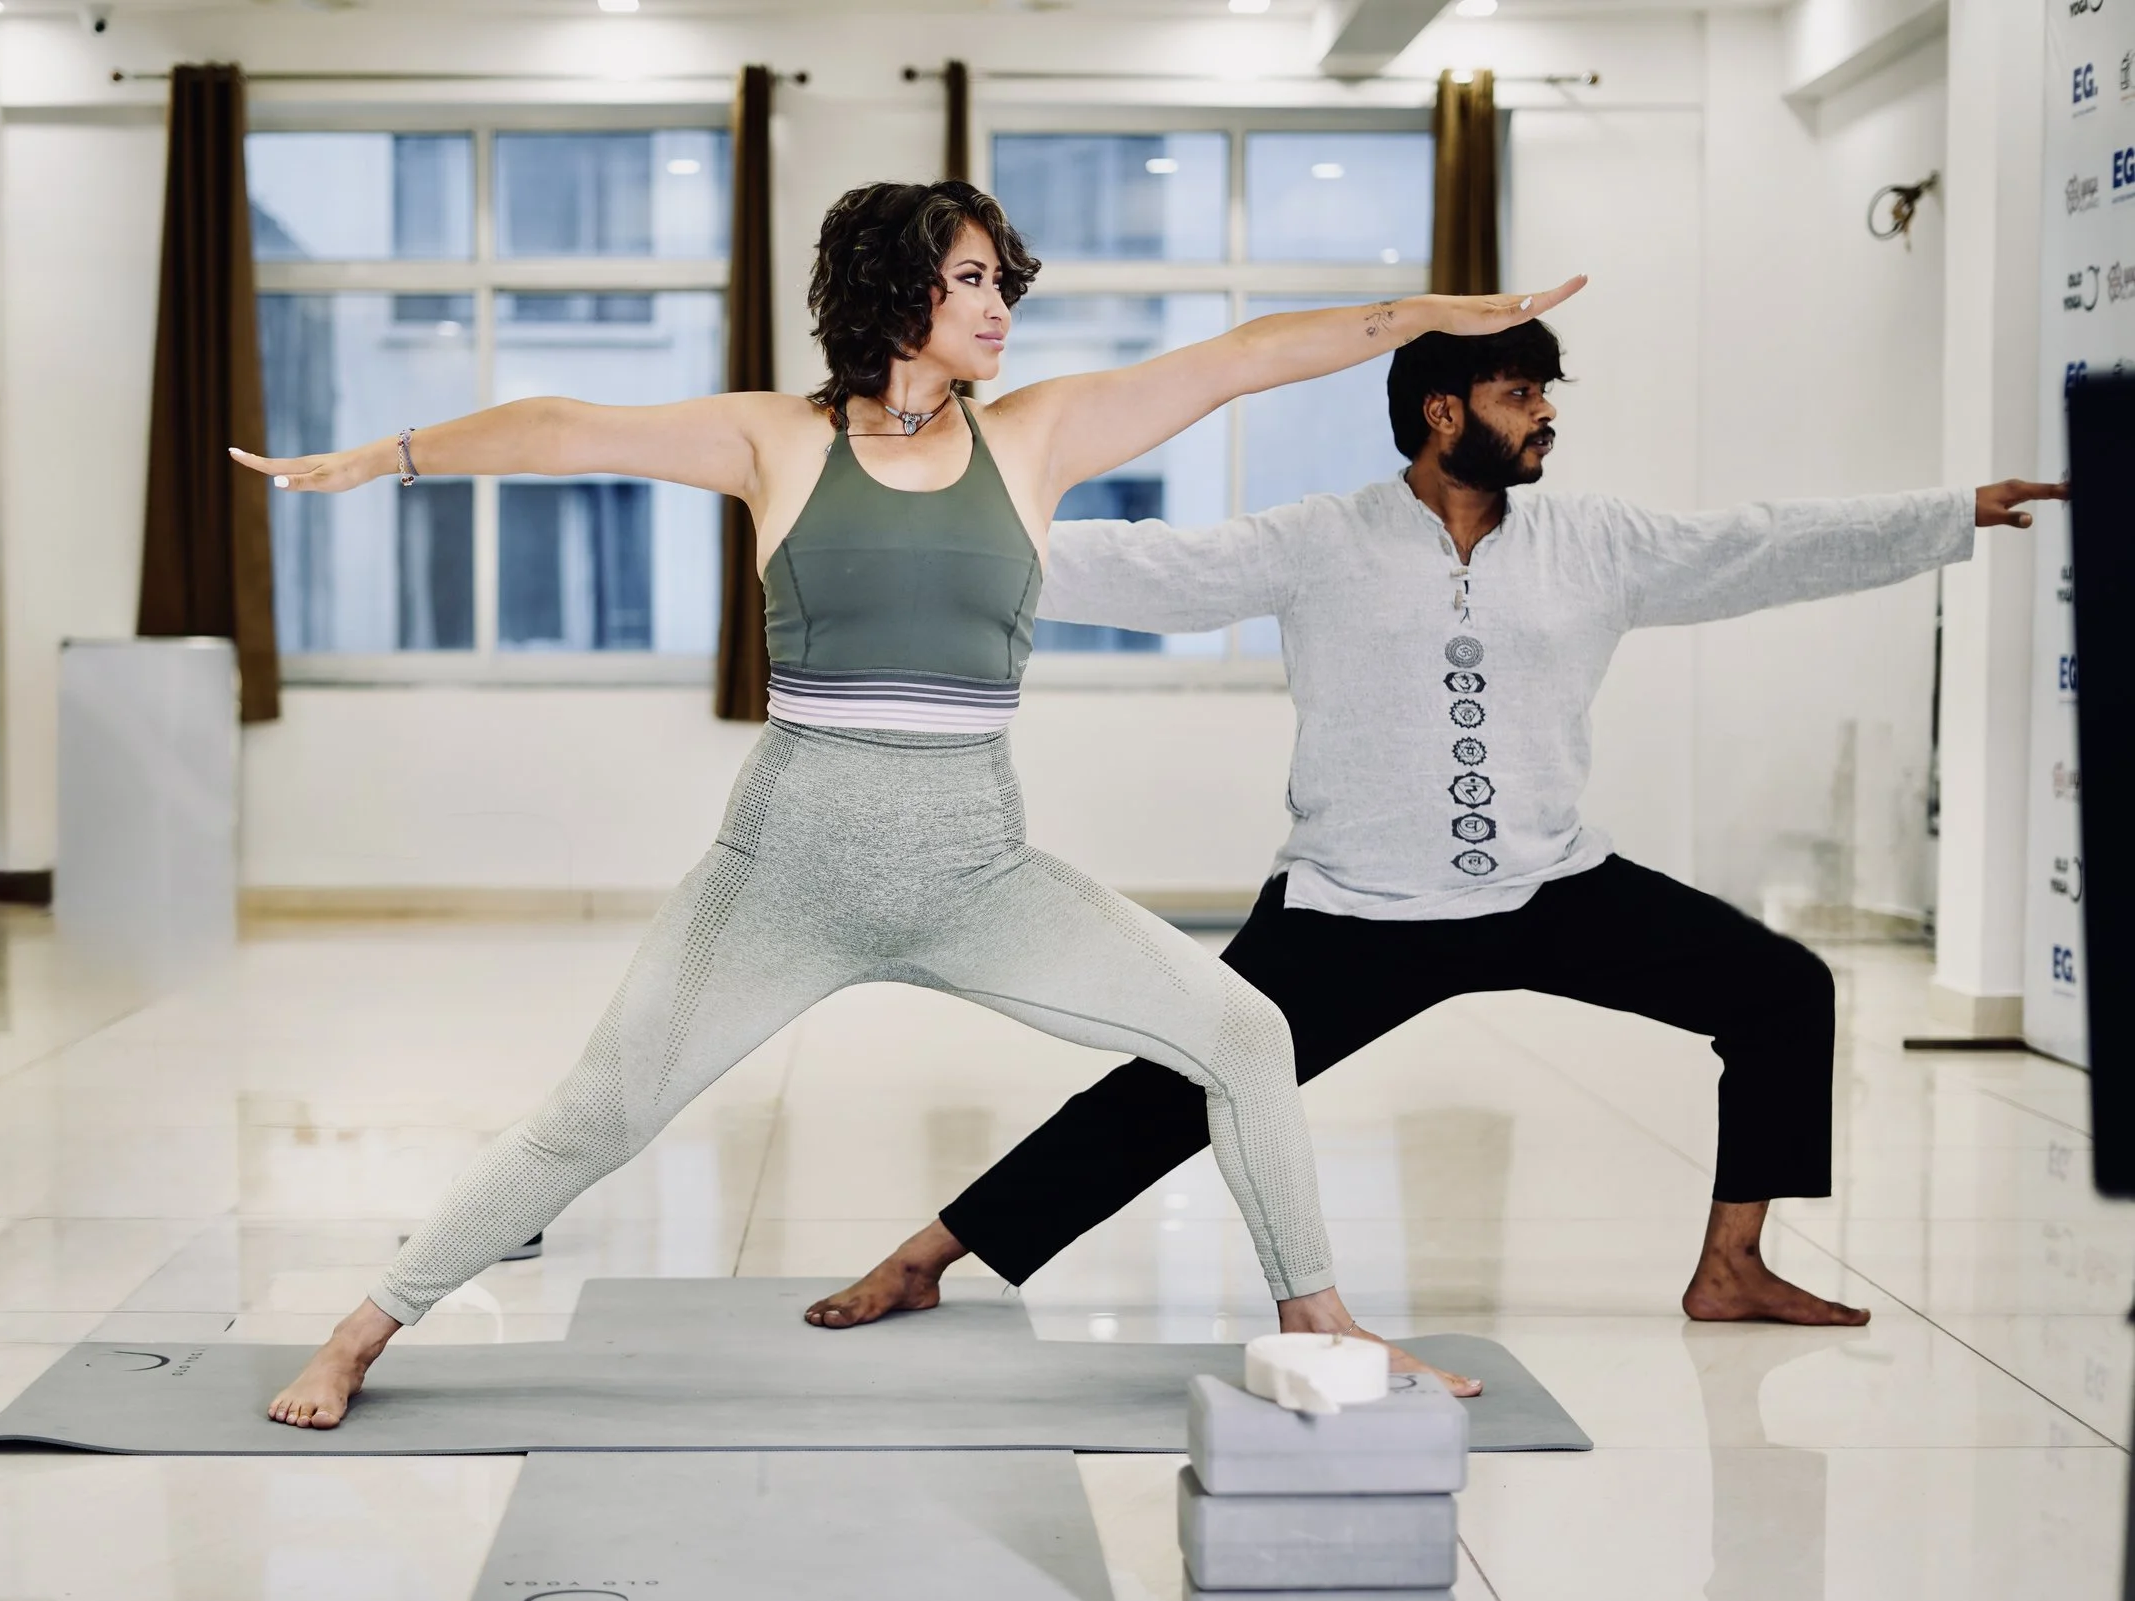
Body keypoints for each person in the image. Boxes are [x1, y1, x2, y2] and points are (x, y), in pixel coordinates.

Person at [230, 180, 1582, 1425]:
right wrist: (386, 455)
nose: (1002, 308)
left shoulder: (1040, 436)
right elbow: (562, 428)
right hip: (787, 865)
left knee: (1242, 1028)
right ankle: (362, 1330)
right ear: (897, 291)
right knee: (600, 1110)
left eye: (1008, 284)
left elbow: (1244, 358)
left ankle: (1323, 1315)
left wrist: (1434, 319)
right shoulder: (775, 438)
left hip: (977, 865)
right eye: (977, 279)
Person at [806, 317, 2065, 1336]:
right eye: (1522, 394)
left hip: (1549, 884)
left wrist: (1948, 516)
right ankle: (931, 1255)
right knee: (1184, 1086)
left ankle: (1730, 1267)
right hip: (1357, 903)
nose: (1546, 417)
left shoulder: (1596, 540)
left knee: (1782, 987)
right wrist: (934, 528)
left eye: (1545, 395)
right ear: (1441, 412)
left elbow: (1758, 546)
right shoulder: (1321, 540)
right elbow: (1146, 565)